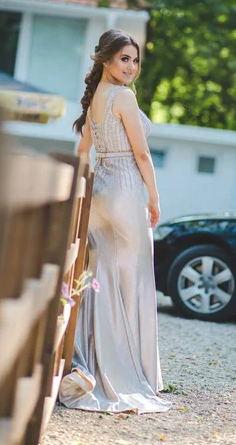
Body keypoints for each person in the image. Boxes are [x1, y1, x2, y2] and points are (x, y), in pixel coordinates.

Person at [59, 29, 171, 414]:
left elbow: (83, 151)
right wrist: (154, 197)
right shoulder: (123, 97)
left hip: (101, 191)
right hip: (125, 189)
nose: (131, 67)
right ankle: (132, 370)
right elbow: (141, 154)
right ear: (105, 60)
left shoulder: (94, 100)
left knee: (100, 276)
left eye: (135, 60)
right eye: (124, 58)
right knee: (134, 279)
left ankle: (94, 358)